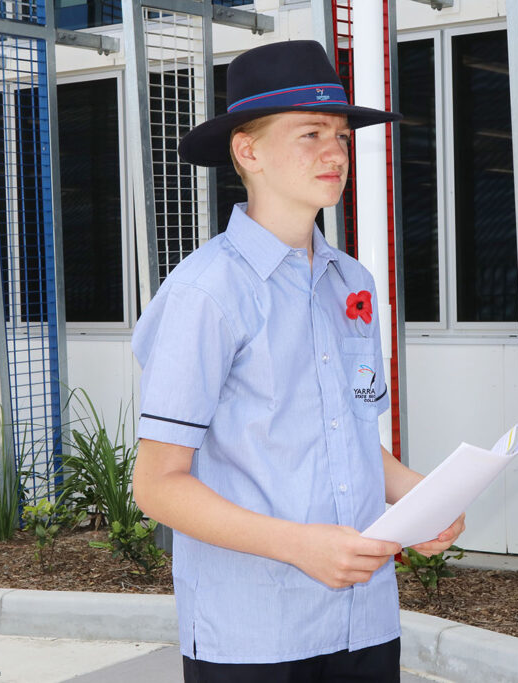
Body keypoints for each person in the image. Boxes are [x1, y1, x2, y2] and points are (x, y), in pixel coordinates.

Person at [131, 40, 465, 683]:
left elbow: (350, 438)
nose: (335, 152)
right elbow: (157, 484)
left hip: (363, 619)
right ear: (247, 151)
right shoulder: (207, 293)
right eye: (310, 133)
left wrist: (422, 498)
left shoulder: (352, 283)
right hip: (254, 632)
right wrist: (302, 546)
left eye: (340, 135)